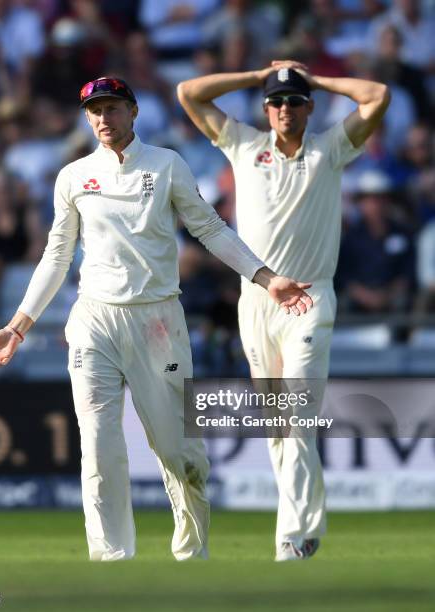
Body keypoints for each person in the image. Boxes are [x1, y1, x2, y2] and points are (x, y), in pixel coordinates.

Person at [0, 76, 314, 562]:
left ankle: (191, 553)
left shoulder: (166, 165)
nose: (103, 119)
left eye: (112, 109)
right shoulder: (73, 176)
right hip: (94, 320)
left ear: (133, 112)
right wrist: (19, 325)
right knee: (97, 447)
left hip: (158, 322)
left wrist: (266, 277)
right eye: (94, 111)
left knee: (179, 454)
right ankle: (111, 562)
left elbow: (210, 228)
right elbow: (56, 255)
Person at [177, 60, 390, 561]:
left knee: (295, 414)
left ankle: (292, 539)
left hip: (310, 299)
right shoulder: (244, 145)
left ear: (309, 107)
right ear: (265, 108)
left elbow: (376, 95)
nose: (284, 109)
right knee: (280, 424)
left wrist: (311, 77)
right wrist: (258, 76)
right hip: (258, 299)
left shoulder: (330, 148)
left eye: (294, 101)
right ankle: (308, 524)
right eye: (276, 101)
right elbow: (189, 92)